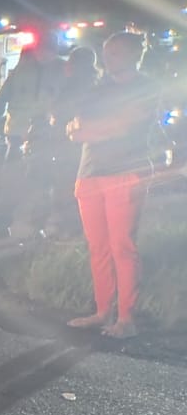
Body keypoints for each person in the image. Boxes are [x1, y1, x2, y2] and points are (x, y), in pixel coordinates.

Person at [63, 31, 161, 340]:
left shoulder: (146, 87)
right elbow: (75, 125)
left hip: (126, 174)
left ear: (134, 55)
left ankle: (126, 318)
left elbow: (122, 126)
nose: (107, 57)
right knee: (99, 248)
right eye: (106, 51)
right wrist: (92, 129)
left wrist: (91, 130)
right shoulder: (97, 87)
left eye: (115, 52)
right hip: (90, 173)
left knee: (122, 246)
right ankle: (102, 311)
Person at [0, 39, 63, 235]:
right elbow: (3, 97)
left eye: (49, 50)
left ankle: (38, 228)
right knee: (10, 181)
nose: (45, 54)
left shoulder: (62, 70)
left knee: (40, 183)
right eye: (43, 50)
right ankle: (2, 225)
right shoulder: (21, 70)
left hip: (44, 136)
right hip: (17, 135)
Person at [43, 47, 99, 237]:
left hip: (69, 143)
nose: (67, 65)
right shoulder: (96, 83)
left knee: (66, 184)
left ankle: (69, 227)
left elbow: (61, 112)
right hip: (83, 144)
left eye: (71, 61)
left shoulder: (75, 86)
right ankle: (77, 225)